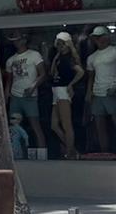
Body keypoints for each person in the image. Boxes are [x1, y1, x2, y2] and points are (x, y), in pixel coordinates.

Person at [3, 33, 47, 153]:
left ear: (24, 40)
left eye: (17, 40)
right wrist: (6, 96)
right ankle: (17, 154)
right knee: (14, 128)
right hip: (15, 96)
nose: (15, 42)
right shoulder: (10, 60)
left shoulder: (34, 55)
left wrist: (33, 86)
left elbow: (43, 74)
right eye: (14, 40)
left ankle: (42, 155)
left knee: (35, 126)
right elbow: (9, 80)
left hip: (30, 96)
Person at [48, 32, 84, 159]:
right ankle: (72, 150)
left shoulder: (69, 58)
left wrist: (70, 85)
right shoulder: (59, 57)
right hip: (56, 90)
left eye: (63, 44)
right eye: (58, 44)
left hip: (63, 90)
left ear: (68, 45)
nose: (60, 46)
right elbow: (52, 73)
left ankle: (70, 152)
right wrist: (55, 57)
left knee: (66, 124)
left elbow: (80, 72)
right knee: (54, 125)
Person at [84, 25, 115, 155]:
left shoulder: (114, 51)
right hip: (98, 93)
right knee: (99, 126)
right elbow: (91, 77)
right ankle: (105, 152)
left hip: (111, 91)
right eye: (96, 38)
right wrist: (89, 93)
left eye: (101, 36)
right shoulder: (92, 57)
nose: (99, 40)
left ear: (107, 37)